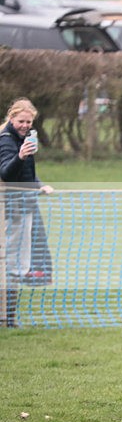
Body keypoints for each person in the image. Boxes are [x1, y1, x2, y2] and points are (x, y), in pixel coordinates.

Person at [0, 98, 54, 328]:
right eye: (21, 121)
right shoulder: (6, 142)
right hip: (12, 210)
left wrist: (39, 184)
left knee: (19, 264)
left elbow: (26, 174)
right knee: (12, 264)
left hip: (24, 205)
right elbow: (6, 172)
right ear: (11, 119)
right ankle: (7, 319)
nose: (25, 125)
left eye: (28, 121)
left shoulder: (25, 139)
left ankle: (9, 318)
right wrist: (20, 155)